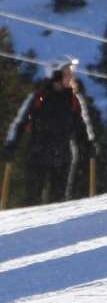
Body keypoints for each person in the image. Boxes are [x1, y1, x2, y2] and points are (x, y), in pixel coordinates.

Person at [3, 58, 99, 204]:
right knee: (32, 200)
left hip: (63, 157)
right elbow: (20, 123)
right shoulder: (38, 98)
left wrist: (89, 144)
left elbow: (81, 127)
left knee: (58, 201)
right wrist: (11, 144)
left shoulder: (73, 100)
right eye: (67, 73)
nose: (72, 77)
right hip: (38, 155)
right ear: (56, 76)